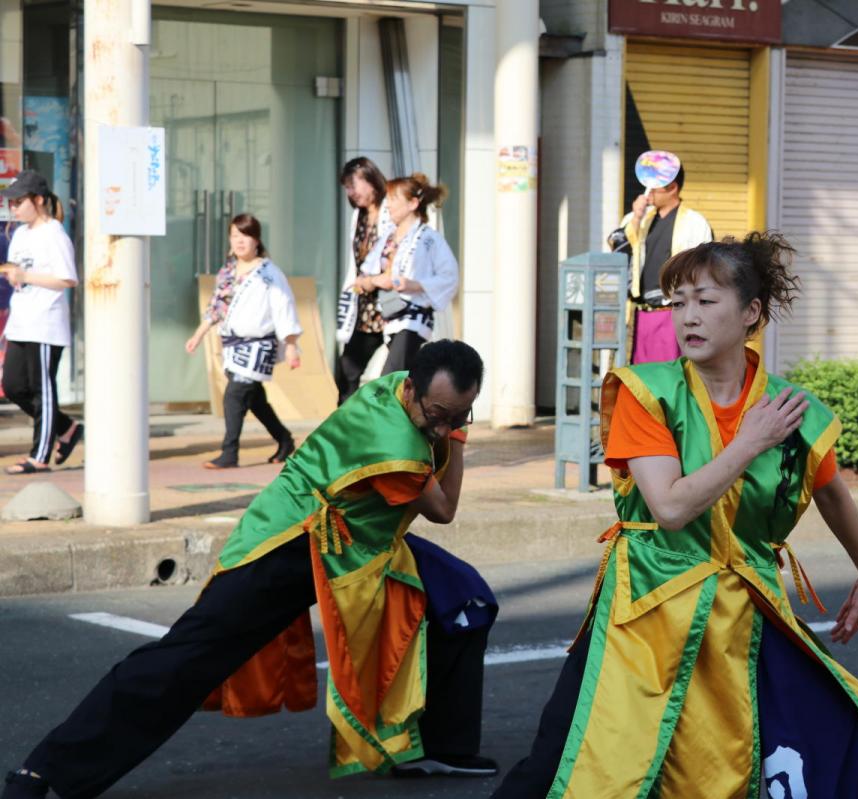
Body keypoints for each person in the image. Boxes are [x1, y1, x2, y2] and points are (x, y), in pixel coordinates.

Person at [492, 233, 858, 799]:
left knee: (836, 738)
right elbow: (672, 507)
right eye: (677, 303)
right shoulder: (647, 392)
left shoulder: (788, 408)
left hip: (746, 607)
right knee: (574, 757)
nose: (687, 318)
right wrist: (749, 443)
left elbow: (832, 493)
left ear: (751, 312)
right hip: (646, 607)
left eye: (705, 301)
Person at [2, 339, 499, 799]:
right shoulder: (395, 443)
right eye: (437, 415)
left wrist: (447, 419)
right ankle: (47, 769)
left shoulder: (394, 389)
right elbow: (444, 508)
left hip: (360, 542)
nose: (440, 428)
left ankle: (437, 747)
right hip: (290, 545)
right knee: (184, 661)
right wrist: (457, 437)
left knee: (463, 598)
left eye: (458, 416)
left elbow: (415, 485)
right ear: (410, 387)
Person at [185, 213, 302, 469]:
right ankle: (284, 439)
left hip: (258, 345)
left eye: (245, 235)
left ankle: (230, 452)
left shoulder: (269, 273)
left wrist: (291, 345)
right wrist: (198, 334)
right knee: (254, 399)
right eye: (235, 235)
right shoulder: (227, 272)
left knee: (235, 395)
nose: (240, 241)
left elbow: (284, 308)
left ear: (256, 240)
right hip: (232, 346)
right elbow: (216, 307)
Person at [0, 170, 83, 475]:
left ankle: (39, 456)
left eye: (19, 201)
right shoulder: (20, 234)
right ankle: (67, 428)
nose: (14, 208)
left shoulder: (54, 233)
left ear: (38, 200)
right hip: (21, 320)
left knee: (41, 389)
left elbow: (68, 279)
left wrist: (25, 276)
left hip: (45, 323)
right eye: (11, 202)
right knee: (12, 386)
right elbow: (20, 272)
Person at [608, 151, 712, 364]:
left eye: (654, 185)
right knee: (636, 380)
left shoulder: (695, 222)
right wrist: (636, 218)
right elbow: (617, 250)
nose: (648, 191)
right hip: (637, 313)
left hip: (674, 313)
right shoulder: (635, 219)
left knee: (673, 378)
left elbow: (704, 272)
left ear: (672, 187)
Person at [355, 173, 459, 374]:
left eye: (393, 199)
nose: (388, 205)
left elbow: (450, 276)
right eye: (388, 199)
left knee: (391, 377)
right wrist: (375, 280)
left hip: (413, 319)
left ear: (413, 203)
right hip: (388, 313)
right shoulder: (387, 237)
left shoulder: (429, 239)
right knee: (400, 378)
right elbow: (363, 277)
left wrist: (414, 284)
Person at [335, 157, 397, 404]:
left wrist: (375, 279)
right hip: (365, 304)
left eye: (353, 185)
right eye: (347, 187)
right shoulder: (358, 215)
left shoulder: (391, 209)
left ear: (371, 180)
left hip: (391, 302)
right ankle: (345, 424)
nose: (351, 192)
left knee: (398, 372)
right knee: (348, 368)